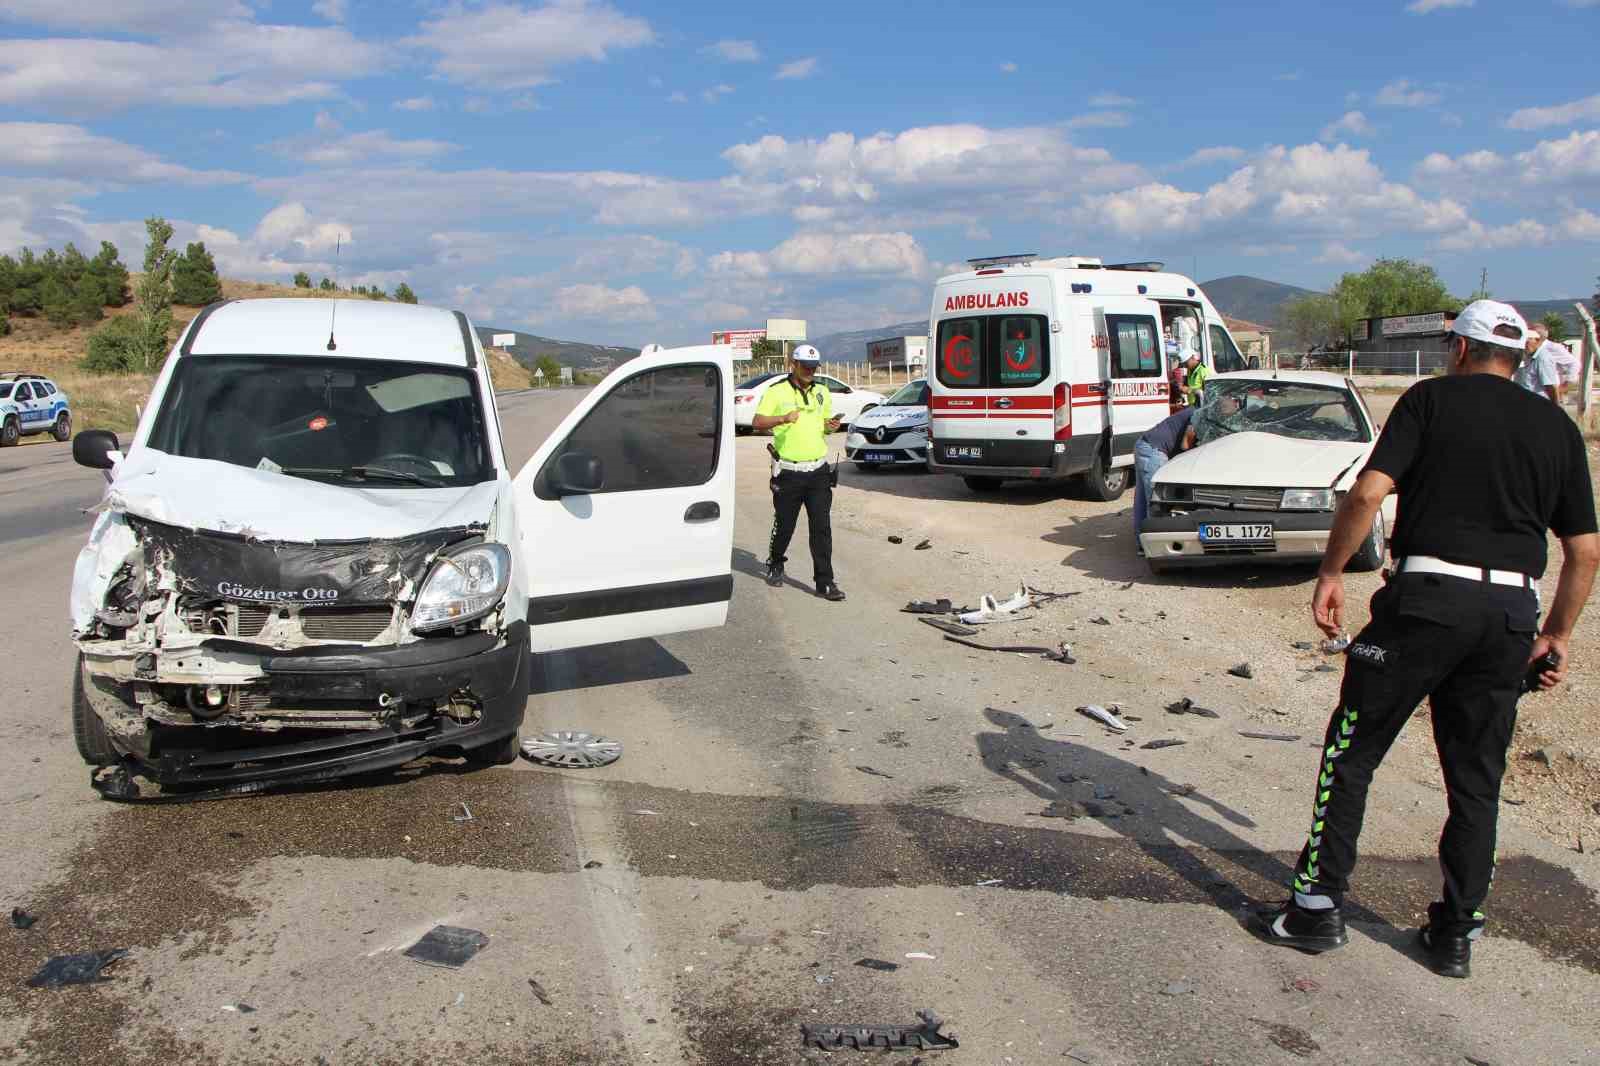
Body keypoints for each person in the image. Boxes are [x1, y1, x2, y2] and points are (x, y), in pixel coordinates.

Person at [1251, 300, 1599, 978]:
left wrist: (1330, 572)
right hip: (1508, 616)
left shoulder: (1430, 401)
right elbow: (1584, 552)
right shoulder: (1558, 427)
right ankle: (1456, 934)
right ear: (1518, 358)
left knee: (1353, 751)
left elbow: (1367, 493)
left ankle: (1316, 909)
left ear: (1460, 350)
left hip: (1426, 603)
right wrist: (1555, 635)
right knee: (1476, 779)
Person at [752, 344, 845, 601]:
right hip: (789, 472)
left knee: (821, 528)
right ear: (792, 364)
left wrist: (831, 426)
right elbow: (757, 422)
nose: (810, 372)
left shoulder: (822, 392)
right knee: (785, 525)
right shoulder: (776, 391)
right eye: (805, 367)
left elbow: (824, 427)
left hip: (818, 470)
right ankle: (775, 562)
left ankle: (824, 582)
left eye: (814, 368)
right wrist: (782, 419)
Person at [1133, 405, 1196, 547]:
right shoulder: (1200, 414)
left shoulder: (1197, 410)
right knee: (1157, 502)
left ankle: (1141, 545)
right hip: (1154, 451)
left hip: (1145, 444)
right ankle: (1154, 547)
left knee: (1143, 500)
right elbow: (1186, 445)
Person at [1511, 322, 1560, 403]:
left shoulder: (1543, 358)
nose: (1523, 343)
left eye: (1527, 340)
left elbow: (1551, 387)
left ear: (1537, 340)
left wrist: (1556, 410)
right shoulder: (1527, 355)